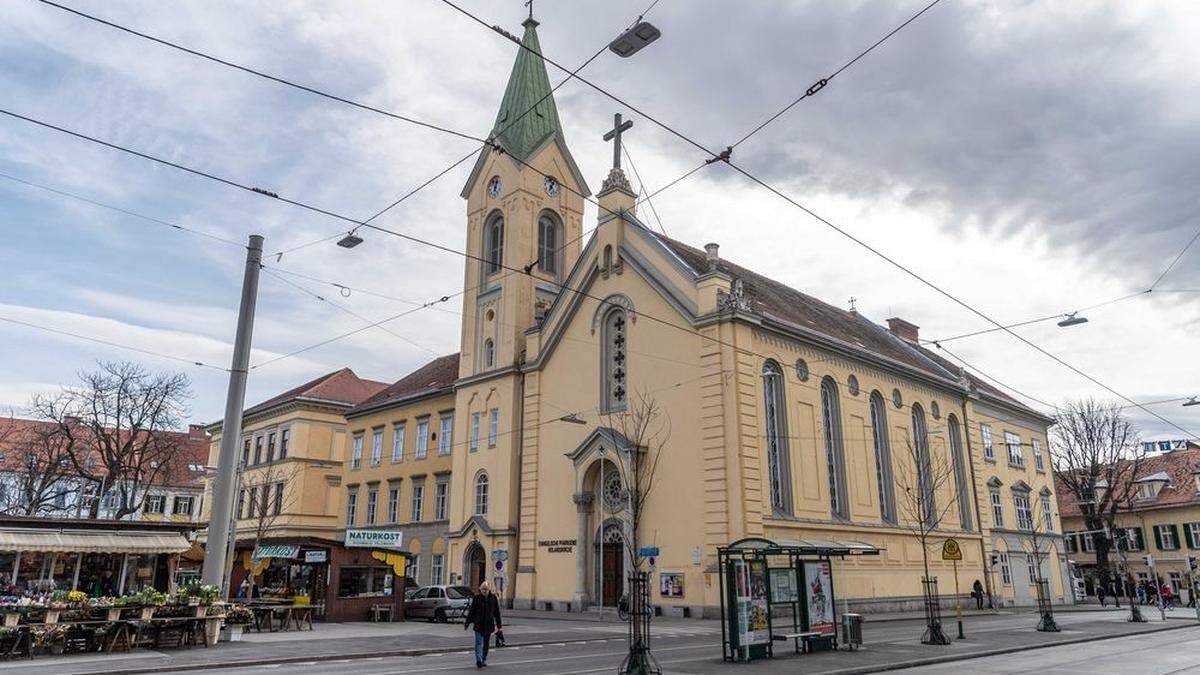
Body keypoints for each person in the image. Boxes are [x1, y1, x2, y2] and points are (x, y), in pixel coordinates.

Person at [465, 581, 502, 668]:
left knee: (486, 643)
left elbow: (497, 613)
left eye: (486, 589)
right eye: (483, 589)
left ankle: (483, 659)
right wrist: (467, 622)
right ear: (480, 590)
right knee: (478, 643)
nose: (484, 591)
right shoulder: (477, 598)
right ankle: (479, 660)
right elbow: (472, 612)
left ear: (489, 590)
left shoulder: (493, 598)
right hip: (478, 624)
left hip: (488, 625)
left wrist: (499, 625)